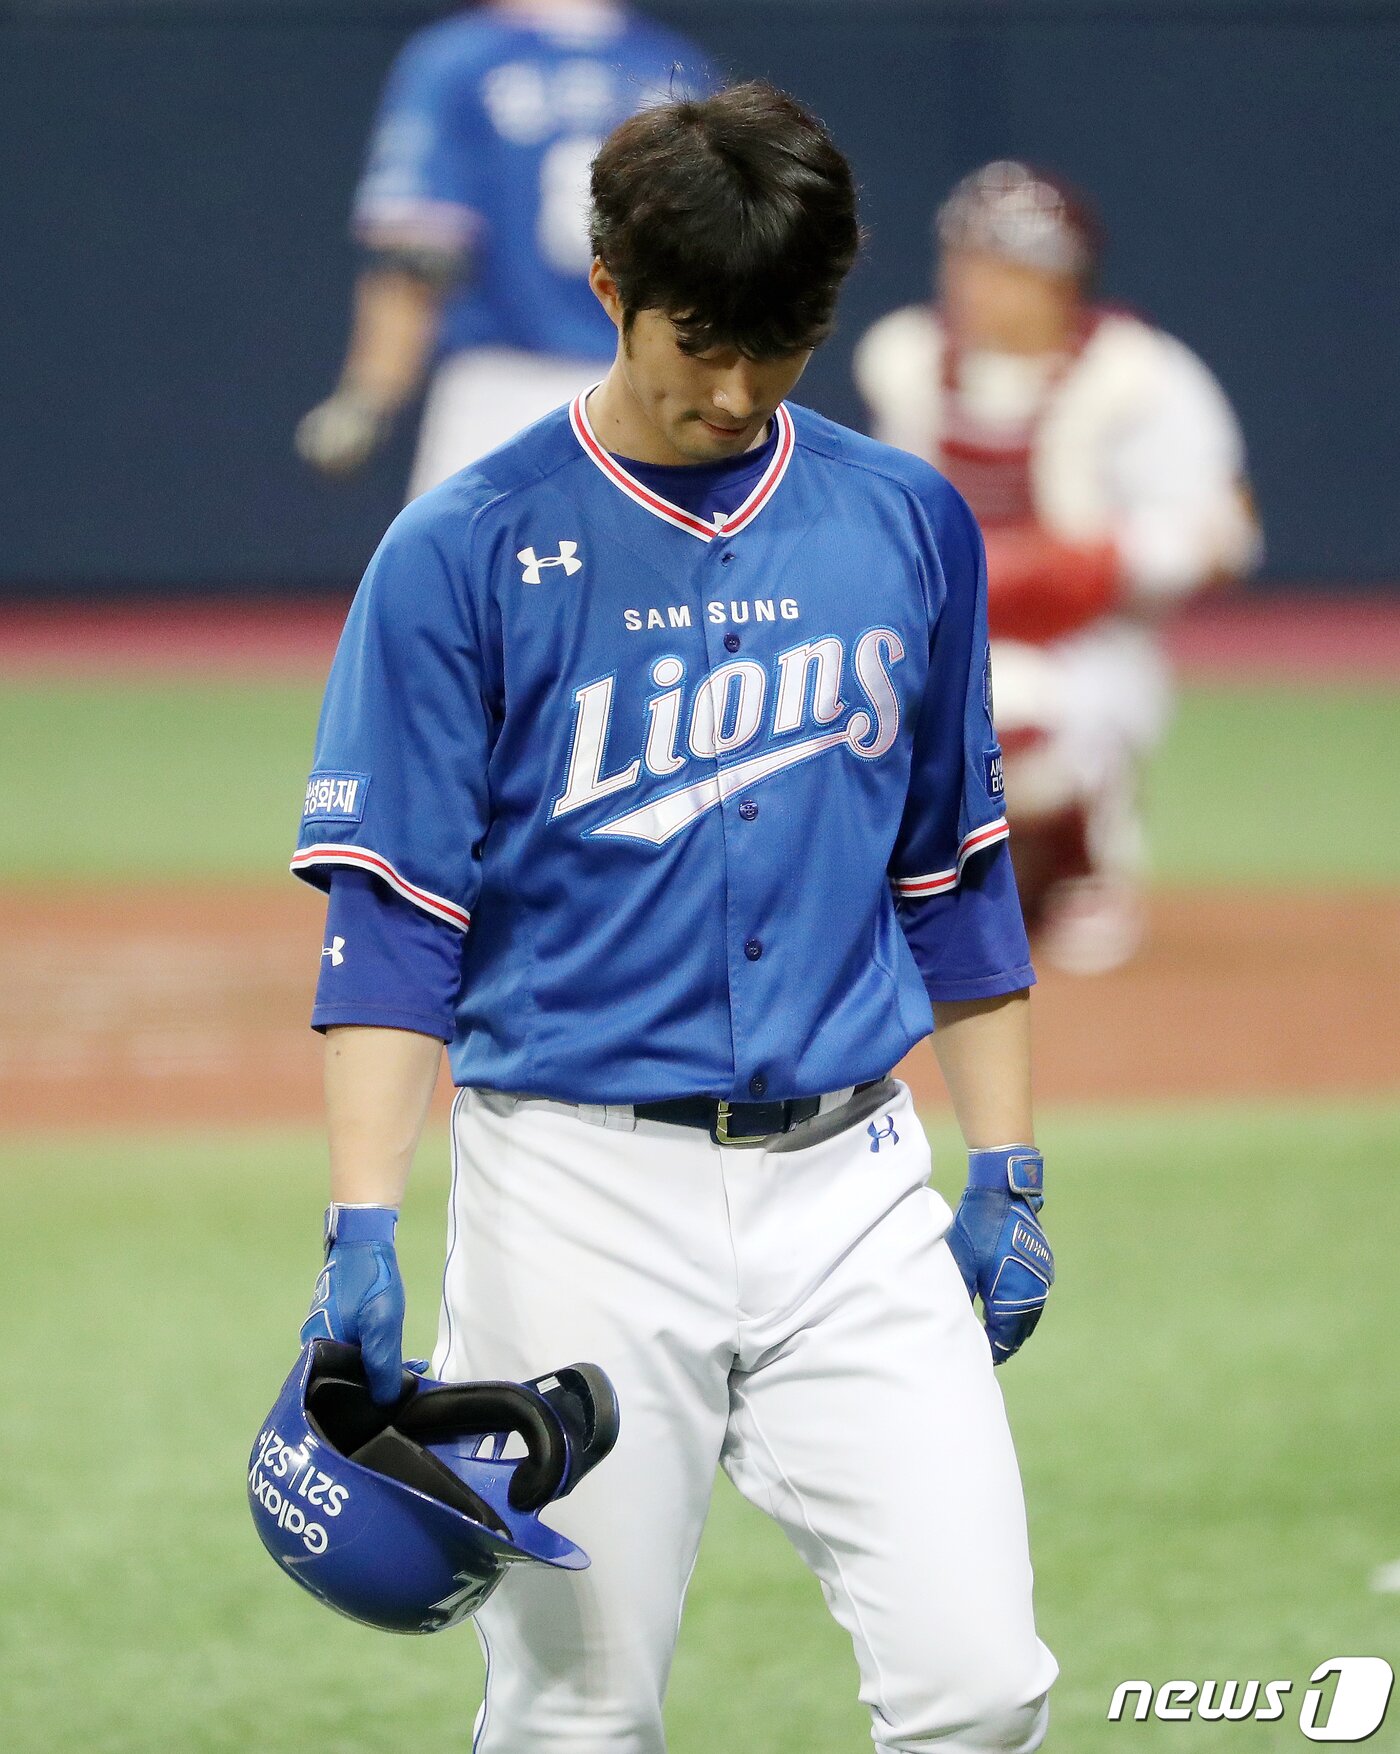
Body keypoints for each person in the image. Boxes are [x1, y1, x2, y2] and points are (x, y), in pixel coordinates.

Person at [292, 84, 1059, 1754]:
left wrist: (1005, 1161)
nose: (732, 390)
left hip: (853, 1188)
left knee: (982, 1683)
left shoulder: (904, 520)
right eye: (697, 338)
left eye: (777, 344)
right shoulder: (465, 550)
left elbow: (958, 870)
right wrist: (364, 1223)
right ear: (608, 288)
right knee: (578, 1711)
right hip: (574, 1189)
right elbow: (394, 919)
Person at [855, 161, 1260, 972]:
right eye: (965, 260)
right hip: (942, 636)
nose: (974, 285)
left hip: (1089, 649)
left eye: (1003, 267)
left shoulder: (1137, 373)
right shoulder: (905, 356)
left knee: (1019, 713)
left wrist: (1082, 562)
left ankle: (1082, 864)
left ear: (1059, 279)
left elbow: (1227, 534)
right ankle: (929, 884)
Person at [295, 0, 711, 498]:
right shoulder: (675, 68)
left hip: (496, 397)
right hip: (647, 396)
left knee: (459, 575)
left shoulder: (458, 59)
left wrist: (367, 396)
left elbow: (420, 257)